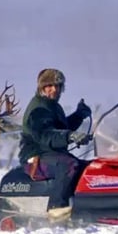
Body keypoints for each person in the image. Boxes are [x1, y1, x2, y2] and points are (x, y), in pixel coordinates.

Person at [18, 68, 92, 216]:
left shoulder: (53, 106)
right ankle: (56, 209)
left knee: (87, 167)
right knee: (69, 165)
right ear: (42, 87)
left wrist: (79, 115)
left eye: (58, 86)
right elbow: (45, 135)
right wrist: (70, 136)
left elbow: (60, 129)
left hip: (51, 152)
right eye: (49, 86)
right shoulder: (38, 108)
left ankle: (86, 207)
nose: (54, 89)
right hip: (36, 155)